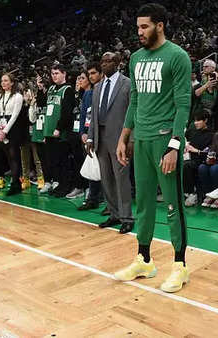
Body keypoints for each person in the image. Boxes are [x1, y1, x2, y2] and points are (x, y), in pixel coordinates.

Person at [114, 3, 192, 293]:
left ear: (160, 25)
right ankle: (144, 259)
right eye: (138, 27)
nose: (140, 32)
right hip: (142, 139)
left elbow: (184, 105)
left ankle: (180, 265)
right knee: (144, 203)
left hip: (165, 139)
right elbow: (134, 101)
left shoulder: (178, 57)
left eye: (145, 26)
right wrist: (124, 137)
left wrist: (174, 146)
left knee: (173, 205)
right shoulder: (135, 58)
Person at [86, 51, 133, 233]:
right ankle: (114, 214)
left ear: (118, 63)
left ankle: (127, 217)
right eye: (102, 61)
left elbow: (133, 113)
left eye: (108, 61)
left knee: (121, 179)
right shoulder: (97, 87)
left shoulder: (127, 83)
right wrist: (90, 137)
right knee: (106, 179)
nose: (104, 64)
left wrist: (130, 140)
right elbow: (94, 115)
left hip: (120, 138)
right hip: (100, 137)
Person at [38, 64, 75, 197]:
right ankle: (58, 184)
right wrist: (40, 89)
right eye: (52, 73)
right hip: (49, 131)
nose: (54, 76)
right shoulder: (51, 88)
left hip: (60, 132)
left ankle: (65, 187)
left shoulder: (68, 90)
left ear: (64, 73)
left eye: (57, 73)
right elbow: (42, 105)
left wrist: (59, 128)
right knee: (52, 161)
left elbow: (67, 113)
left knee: (62, 161)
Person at [78, 63, 104, 211]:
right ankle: (92, 198)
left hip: (103, 135)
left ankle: (105, 198)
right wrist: (82, 132)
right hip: (88, 135)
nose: (91, 76)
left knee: (106, 170)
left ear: (101, 74)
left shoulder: (105, 91)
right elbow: (83, 115)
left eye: (94, 73)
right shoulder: (88, 93)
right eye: (89, 74)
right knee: (91, 168)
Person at [0, 73, 25, 196]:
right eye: (2, 81)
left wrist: (5, 131)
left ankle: (15, 183)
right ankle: (15, 181)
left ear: (12, 82)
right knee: (7, 155)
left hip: (13, 128)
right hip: (2, 126)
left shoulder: (18, 96)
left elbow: (15, 116)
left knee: (14, 156)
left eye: (6, 80)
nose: (3, 83)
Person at [183, 112, 213, 207]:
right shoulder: (194, 133)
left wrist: (196, 151)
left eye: (198, 120)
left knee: (187, 165)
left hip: (203, 160)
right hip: (191, 158)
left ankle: (192, 193)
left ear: (205, 121)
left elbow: (209, 152)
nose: (196, 123)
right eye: (195, 121)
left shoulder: (211, 135)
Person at [22, 88, 46, 191]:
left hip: (35, 133)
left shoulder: (37, 104)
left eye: (30, 93)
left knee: (37, 158)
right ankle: (25, 179)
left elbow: (32, 119)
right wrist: (26, 104)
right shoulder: (20, 105)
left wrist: (32, 105)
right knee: (24, 158)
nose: (28, 96)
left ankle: (41, 179)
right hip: (24, 135)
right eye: (25, 94)